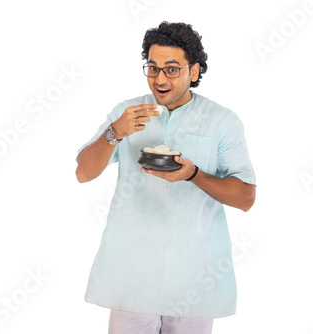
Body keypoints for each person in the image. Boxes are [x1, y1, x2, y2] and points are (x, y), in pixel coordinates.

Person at [75, 21, 256, 334]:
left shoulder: (222, 122)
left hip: (194, 279)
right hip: (132, 277)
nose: (159, 79)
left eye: (172, 69)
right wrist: (114, 132)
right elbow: (83, 173)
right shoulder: (127, 112)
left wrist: (193, 174)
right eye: (153, 67)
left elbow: (246, 198)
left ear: (195, 71)